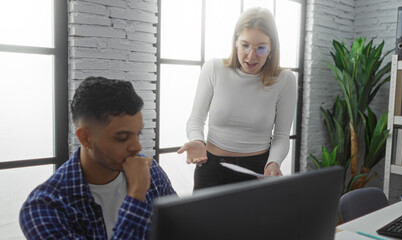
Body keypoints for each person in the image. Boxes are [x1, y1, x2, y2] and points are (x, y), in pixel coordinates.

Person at [19, 76, 176, 239]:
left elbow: (179, 228)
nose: (137, 147)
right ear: (85, 138)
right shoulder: (43, 208)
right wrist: (137, 194)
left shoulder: (151, 171)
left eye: (138, 133)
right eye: (122, 137)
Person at [178, 7, 297, 190]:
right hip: (211, 167)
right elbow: (195, 120)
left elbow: (281, 136)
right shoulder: (213, 69)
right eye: (245, 45)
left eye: (261, 48)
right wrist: (198, 140)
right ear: (235, 43)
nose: (251, 55)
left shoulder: (285, 80)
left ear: (271, 48)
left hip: (257, 171)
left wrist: (273, 163)